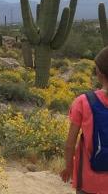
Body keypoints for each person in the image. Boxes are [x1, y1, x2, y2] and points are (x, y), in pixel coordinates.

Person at [60, 46, 108, 194]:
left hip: (89, 181)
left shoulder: (84, 101)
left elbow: (70, 144)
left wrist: (69, 167)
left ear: (99, 72)